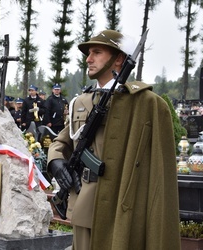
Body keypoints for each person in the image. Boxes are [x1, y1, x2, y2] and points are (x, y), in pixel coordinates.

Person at [47, 30, 180, 249]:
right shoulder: (80, 102)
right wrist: (56, 161)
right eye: (89, 53)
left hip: (122, 208)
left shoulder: (144, 103)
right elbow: (62, 142)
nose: (88, 59)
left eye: (97, 52)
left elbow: (158, 169)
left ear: (119, 58)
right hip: (84, 202)